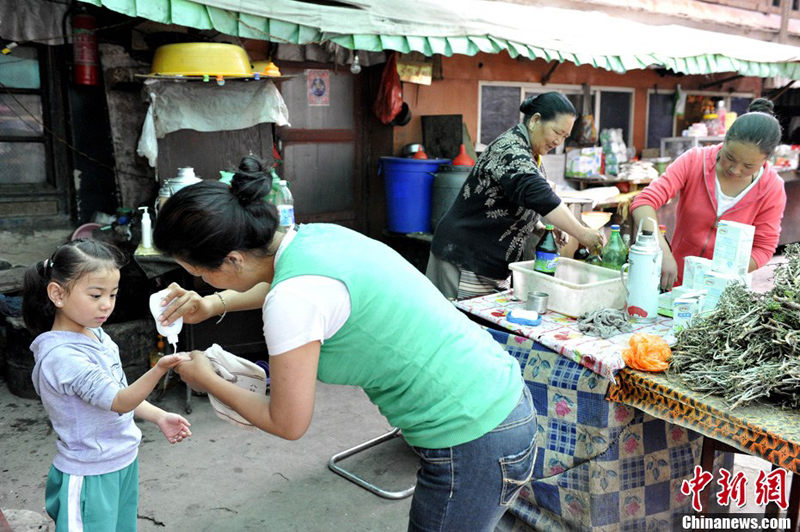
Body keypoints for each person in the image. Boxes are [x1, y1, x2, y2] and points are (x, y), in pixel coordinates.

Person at [151, 155, 537, 532]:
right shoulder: (315, 239)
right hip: (501, 398)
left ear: (232, 259)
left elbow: (287, 422)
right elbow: (291, 286)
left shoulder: (293, 300)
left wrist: (206, 376)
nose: (201, 282)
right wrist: (212, 304)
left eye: (199, 275)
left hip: (474, 436)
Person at [22, 239, 192, 531]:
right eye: (95, 294)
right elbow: (119, 400)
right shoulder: (62, 357)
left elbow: (118, 392)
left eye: (112, 294)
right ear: (57, 294)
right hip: (89, 473)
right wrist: (159, 369)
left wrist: (158, 415)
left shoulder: (97, 335)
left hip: (121, 461)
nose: (107, 305)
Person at [426, 91, 604, 300]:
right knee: (458, 325)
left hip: (489, 262)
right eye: (557, 132)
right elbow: (538, 192)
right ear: (535, 121)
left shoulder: (531, 152)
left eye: (564, 137)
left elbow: (514, 199)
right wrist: (582, 234)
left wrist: (539, 228)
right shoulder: (511, 149)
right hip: (464, 257)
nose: (559, 142)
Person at [631, 98, 787, 290]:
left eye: (748, 166)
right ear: (725, 139)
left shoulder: (772, 188)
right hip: (675, 282)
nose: (735, 170)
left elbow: (764, 248)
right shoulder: (695, 160)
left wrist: (722, 273)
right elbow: (643, 202)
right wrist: (661, 249)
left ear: (766, 159)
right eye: (730, 158)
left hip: (725, 291)